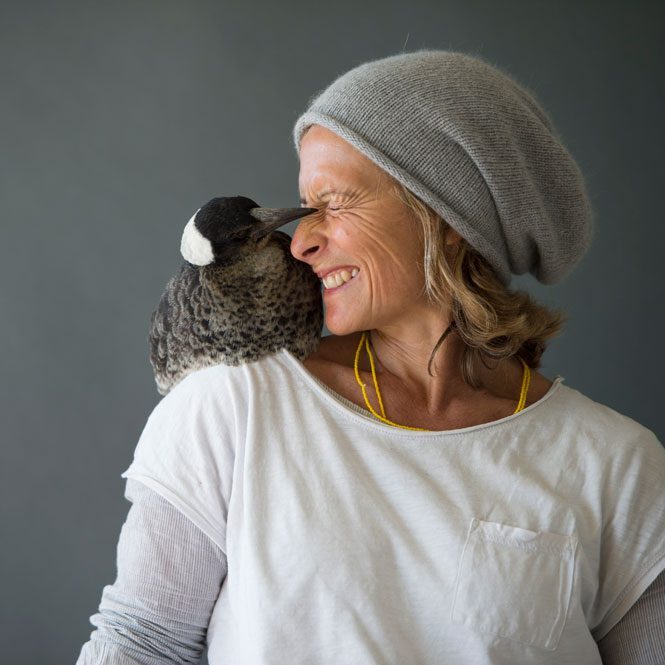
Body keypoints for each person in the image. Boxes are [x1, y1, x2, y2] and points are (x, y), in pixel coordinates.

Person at [77, 50, 665, 664]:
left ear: (446, 216)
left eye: (334, 202)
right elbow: (139, 646)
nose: (300, 240)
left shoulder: (616, 466)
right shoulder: (234, 408)